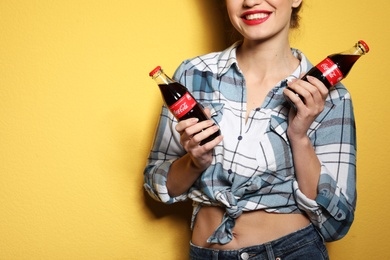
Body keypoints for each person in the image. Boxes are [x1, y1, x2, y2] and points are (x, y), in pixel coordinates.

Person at [144, 0, 356, 259]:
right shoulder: (193, 74)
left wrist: (299, 137)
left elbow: (336, 223)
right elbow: (155, 183)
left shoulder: (331, 96)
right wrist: (194, 163)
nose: (250, 0)